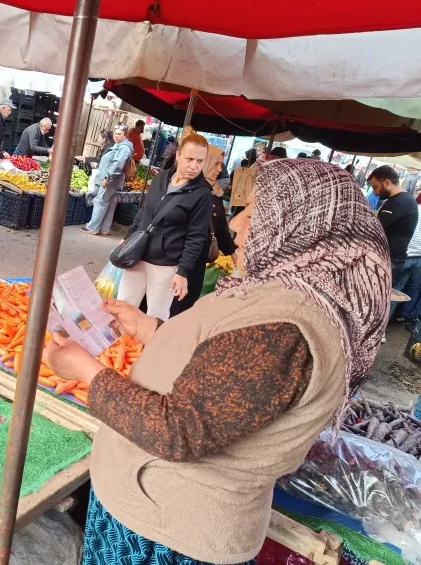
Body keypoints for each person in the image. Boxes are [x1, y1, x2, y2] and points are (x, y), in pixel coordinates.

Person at [44, 159, 390, 565]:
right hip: (157, 516)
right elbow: (221, 366)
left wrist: (85, 370)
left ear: (301, 225)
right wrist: (149, 328)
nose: (238, 224)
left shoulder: (285, 327)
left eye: (254, 210)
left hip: (170, 536)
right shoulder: (277, 297)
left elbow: (178, 431)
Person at [117, 133, 212, 320]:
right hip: (138, 254)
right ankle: (117, 345)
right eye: (189, 159)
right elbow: (143, 212)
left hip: (166, 265)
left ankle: (149, 349)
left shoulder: (202, 194)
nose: (194, 166)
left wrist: (183, 271)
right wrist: (127, 239)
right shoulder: (160, 178)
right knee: (124, 305)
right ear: (178, 156)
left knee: (156, 315)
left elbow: (196, 237)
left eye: (200, 161)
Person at [170, 144, 235, 317]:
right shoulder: (186, 190)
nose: (220, 170)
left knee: (181, 313)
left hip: (195, 267)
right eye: (216, 164)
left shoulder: (215, 194)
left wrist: (235, 252)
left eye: (221, 164)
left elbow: (220, 231)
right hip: (175, 266)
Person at [369, 165, 418, 288]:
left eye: (375, 187)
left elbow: (374, 229)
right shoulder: (402, 199)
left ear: (386, 182)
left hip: (389, 260)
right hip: (391, 259)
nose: (374, 192)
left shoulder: (400, 202)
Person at [80, 125, 134, 236]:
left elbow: (117, 164)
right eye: (115, 133)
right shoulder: (119, 145)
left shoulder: (123, 147)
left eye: (119, 134)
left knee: (101, 202)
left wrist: (107, 178)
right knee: (108, 204)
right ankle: (104, 229)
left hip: (110, 181)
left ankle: (93, 228)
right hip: (111, 180)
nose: (116, 136)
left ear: (124, 135)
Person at [392, 192, 421, 327]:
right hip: (419, 258)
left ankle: (381, 323)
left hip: (406, 255)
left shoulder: (413, 209)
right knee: (410, 288)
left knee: (392, 290)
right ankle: (405, 316)